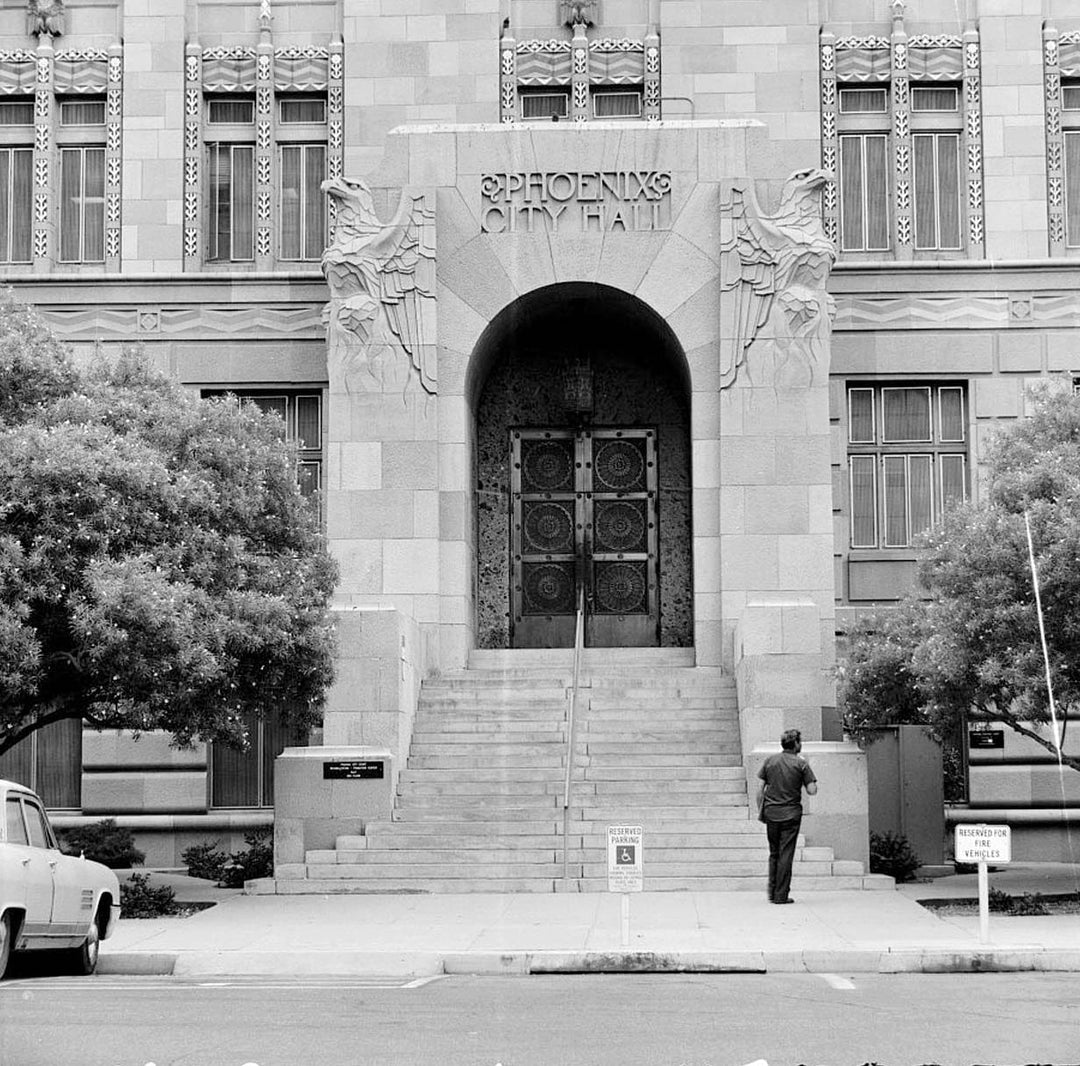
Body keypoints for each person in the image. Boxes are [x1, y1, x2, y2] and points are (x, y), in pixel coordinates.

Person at [757, 728, 818, 904]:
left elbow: (759, 789)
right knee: (786, 854)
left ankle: (772, 891)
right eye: (801, 742)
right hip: (791, 815)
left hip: (771, 813)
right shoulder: (801, 764)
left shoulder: (770, 761)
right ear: (796, 744)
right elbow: (812, 790)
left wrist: (761, 809)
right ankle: (781, 895)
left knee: (774, 853)